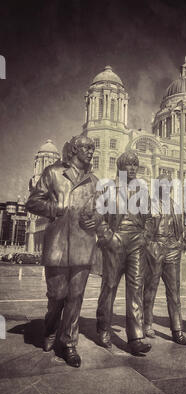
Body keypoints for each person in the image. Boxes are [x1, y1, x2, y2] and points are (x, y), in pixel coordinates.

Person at [26, 134, 98, 367]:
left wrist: (95, 219)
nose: (90, 151)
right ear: (75, 150)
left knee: (75, 298)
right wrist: (55, 208)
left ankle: (68, 343)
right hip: (58, 244)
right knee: (57, 296)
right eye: (86, 147)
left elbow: (100, 211)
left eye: (92, 148)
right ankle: (50, 328)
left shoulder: (94, 181)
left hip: (83, 245)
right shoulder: (53, 173)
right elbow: (33, 202)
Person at [96, 151, 152, 355]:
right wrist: (108, 237)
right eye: (129, 164)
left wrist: (145, 235)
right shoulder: (108, 188)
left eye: (135, 164)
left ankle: (136, 337)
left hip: (137, 240)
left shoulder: (141, 188)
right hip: (116, 238)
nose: (133, 168)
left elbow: (149, 217)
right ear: (120, 167)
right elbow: (98, 218)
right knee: (110, 286)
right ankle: (103, 327)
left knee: (136, 287)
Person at [143, 174, 186, 345]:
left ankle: (177, 330)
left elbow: (180, 229)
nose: (167, 187)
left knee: (174, 293)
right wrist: (150, 247)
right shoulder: (149, 203)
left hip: (172, 250)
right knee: (150, 290)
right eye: (163, 184)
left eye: (169, 185)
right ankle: (146, 323)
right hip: (155, 248)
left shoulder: (175, 205)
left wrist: (178, 244)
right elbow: (144, 229)